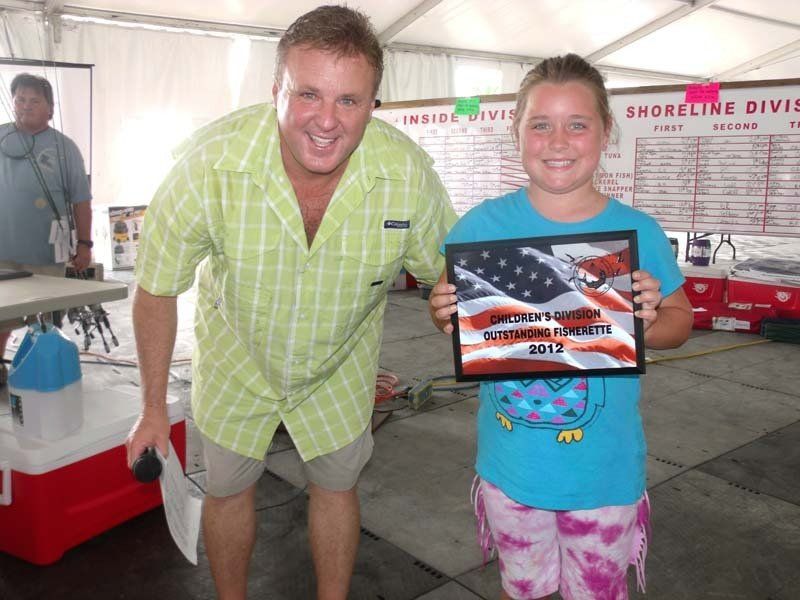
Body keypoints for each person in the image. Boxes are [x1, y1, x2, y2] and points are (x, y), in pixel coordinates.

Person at [125, 5, 455, 599]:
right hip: (237, 360)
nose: (327, 121)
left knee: (337, 485)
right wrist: (152, 406)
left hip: (340, 367)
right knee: (227, 490)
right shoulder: (208, 167)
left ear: (373, 105)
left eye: (350, 101)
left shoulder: (407, 176)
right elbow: (156, 285)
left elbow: (447, 281)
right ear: (275, 90)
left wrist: (477, 320)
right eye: (308, 94)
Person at [428, 54, 693, 600]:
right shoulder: (480, 225)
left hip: (604, 472)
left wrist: (646, 318)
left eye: (578, 124)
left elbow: (680, 323)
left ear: (605, 133)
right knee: (522, 589)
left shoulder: (637, 230)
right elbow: (454, 317)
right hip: (510, 468)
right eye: (540, 124)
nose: (558, 140)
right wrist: (442, 310)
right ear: (517, 132)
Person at [0, 73, 93, 387]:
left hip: (45, 252)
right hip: (3, 251)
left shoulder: (65, 148)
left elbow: (82, 200)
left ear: (50, 109)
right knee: (1, 319)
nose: (25, 106)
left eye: (34, 101)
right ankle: (1, 368)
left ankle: (45, 370)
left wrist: (84, 244)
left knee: (47, 318)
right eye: (20, 99)